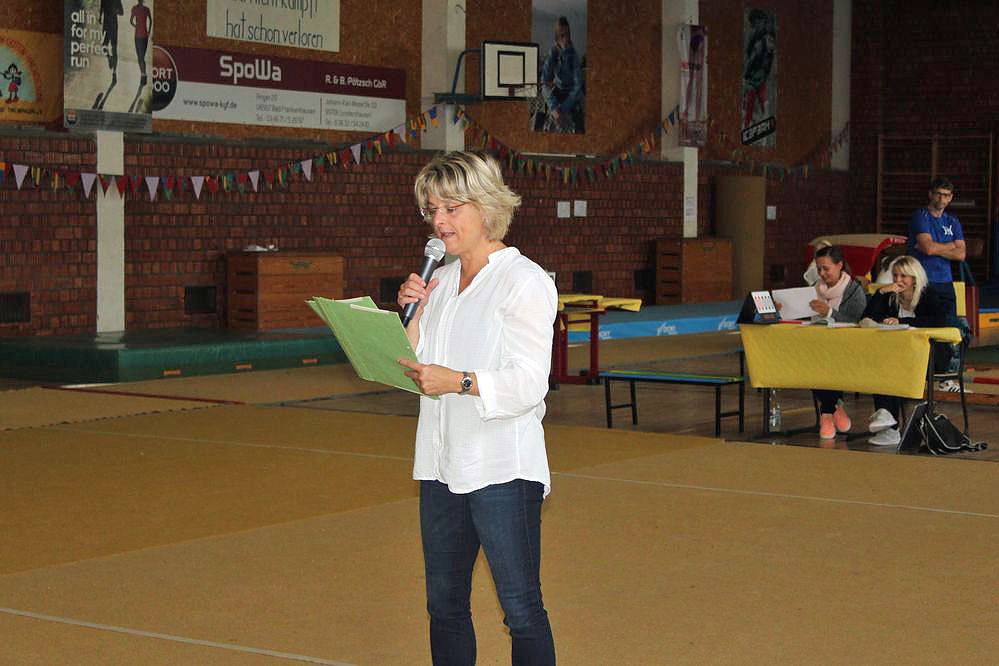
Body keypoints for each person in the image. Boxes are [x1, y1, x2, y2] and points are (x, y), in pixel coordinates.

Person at [396, 151, 558, 664]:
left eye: (451, 208)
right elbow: (417, 369)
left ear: (486, 207)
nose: (439, 222)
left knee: (521, 610)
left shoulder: (524, 280)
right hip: (441, 466)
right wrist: (412, 316)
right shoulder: (439, 281)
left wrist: (459, 381)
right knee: (443, 605)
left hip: (502, 468)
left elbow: (529, 383)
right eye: (432, 210)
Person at [860, 256, 951, 446]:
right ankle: (887, 422)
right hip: (900, 354)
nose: (898, 280)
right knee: (880, 365)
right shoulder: (891, 297)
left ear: (914, 278)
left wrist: (902, 321)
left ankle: (889, 422)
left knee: (893, 367)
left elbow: (939, 321)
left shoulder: (928, 294)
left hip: (931, 355)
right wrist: (881, 292)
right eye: (895, 275)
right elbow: (866, 318)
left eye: (903, 276)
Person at [807, 246, 868, 440]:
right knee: (810, 361)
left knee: (823, 363)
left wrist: (829, 313)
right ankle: (833, 408)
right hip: (818, 346)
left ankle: (826, 413)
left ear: (840, 265)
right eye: (819, 269)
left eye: (826, 269)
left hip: (848, 349)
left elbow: (858, 322)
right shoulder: (813, 289)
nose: (822, 274)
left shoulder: (854, 291)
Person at [907, 177, 965, 325]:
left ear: (950, 198)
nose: (942, 198)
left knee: (950, 325)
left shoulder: (952, 221)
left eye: (946, 195)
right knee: (926, 325)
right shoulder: (920, 216)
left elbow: (961, 254)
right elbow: (928, 249)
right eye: (938, 194)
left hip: (946, 281)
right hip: (923, 281)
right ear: (930, 194)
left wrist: (935, 248)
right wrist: (951, 245)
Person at [539, 16, 583, 133]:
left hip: (571, 96)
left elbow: (578, 86)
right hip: (557, 93)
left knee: (576, 126)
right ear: (557, 37)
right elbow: (543, 82)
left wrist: (563, 108)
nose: (565, 39)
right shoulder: (553, 53)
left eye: (567, 35)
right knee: (548, 126)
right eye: (562, 36)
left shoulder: (574, 55)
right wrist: (553, 107)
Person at [130, 0, 152, 85]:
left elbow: (131, 21)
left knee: (141, 57)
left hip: (141, 36)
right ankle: (143, 75)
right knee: (141, 57)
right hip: (141, 36)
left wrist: (137, 26)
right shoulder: (142, 9)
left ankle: (143, 75)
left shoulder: (141, 9)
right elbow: (150, 20)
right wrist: (148, 30)